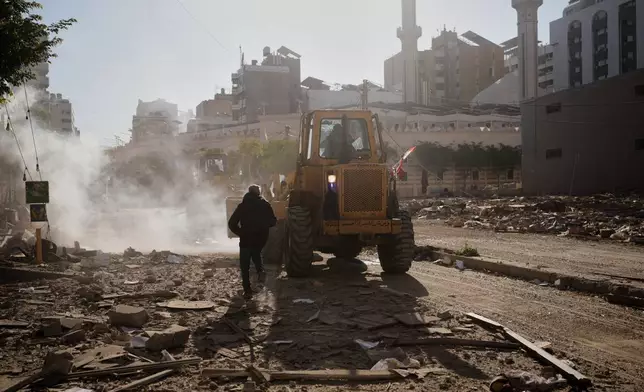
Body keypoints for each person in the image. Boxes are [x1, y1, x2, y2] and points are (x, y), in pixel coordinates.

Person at [227, 184, 277, 299]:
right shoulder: (265, 205)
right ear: (258, 193)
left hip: (246, 239)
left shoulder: (242, 206)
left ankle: (247, 289)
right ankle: (260, 272)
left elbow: (231, 223)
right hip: (260, 238)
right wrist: (263, 227)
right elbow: (273, 221)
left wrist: (240, 233)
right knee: (256, 253)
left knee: (245, 266)